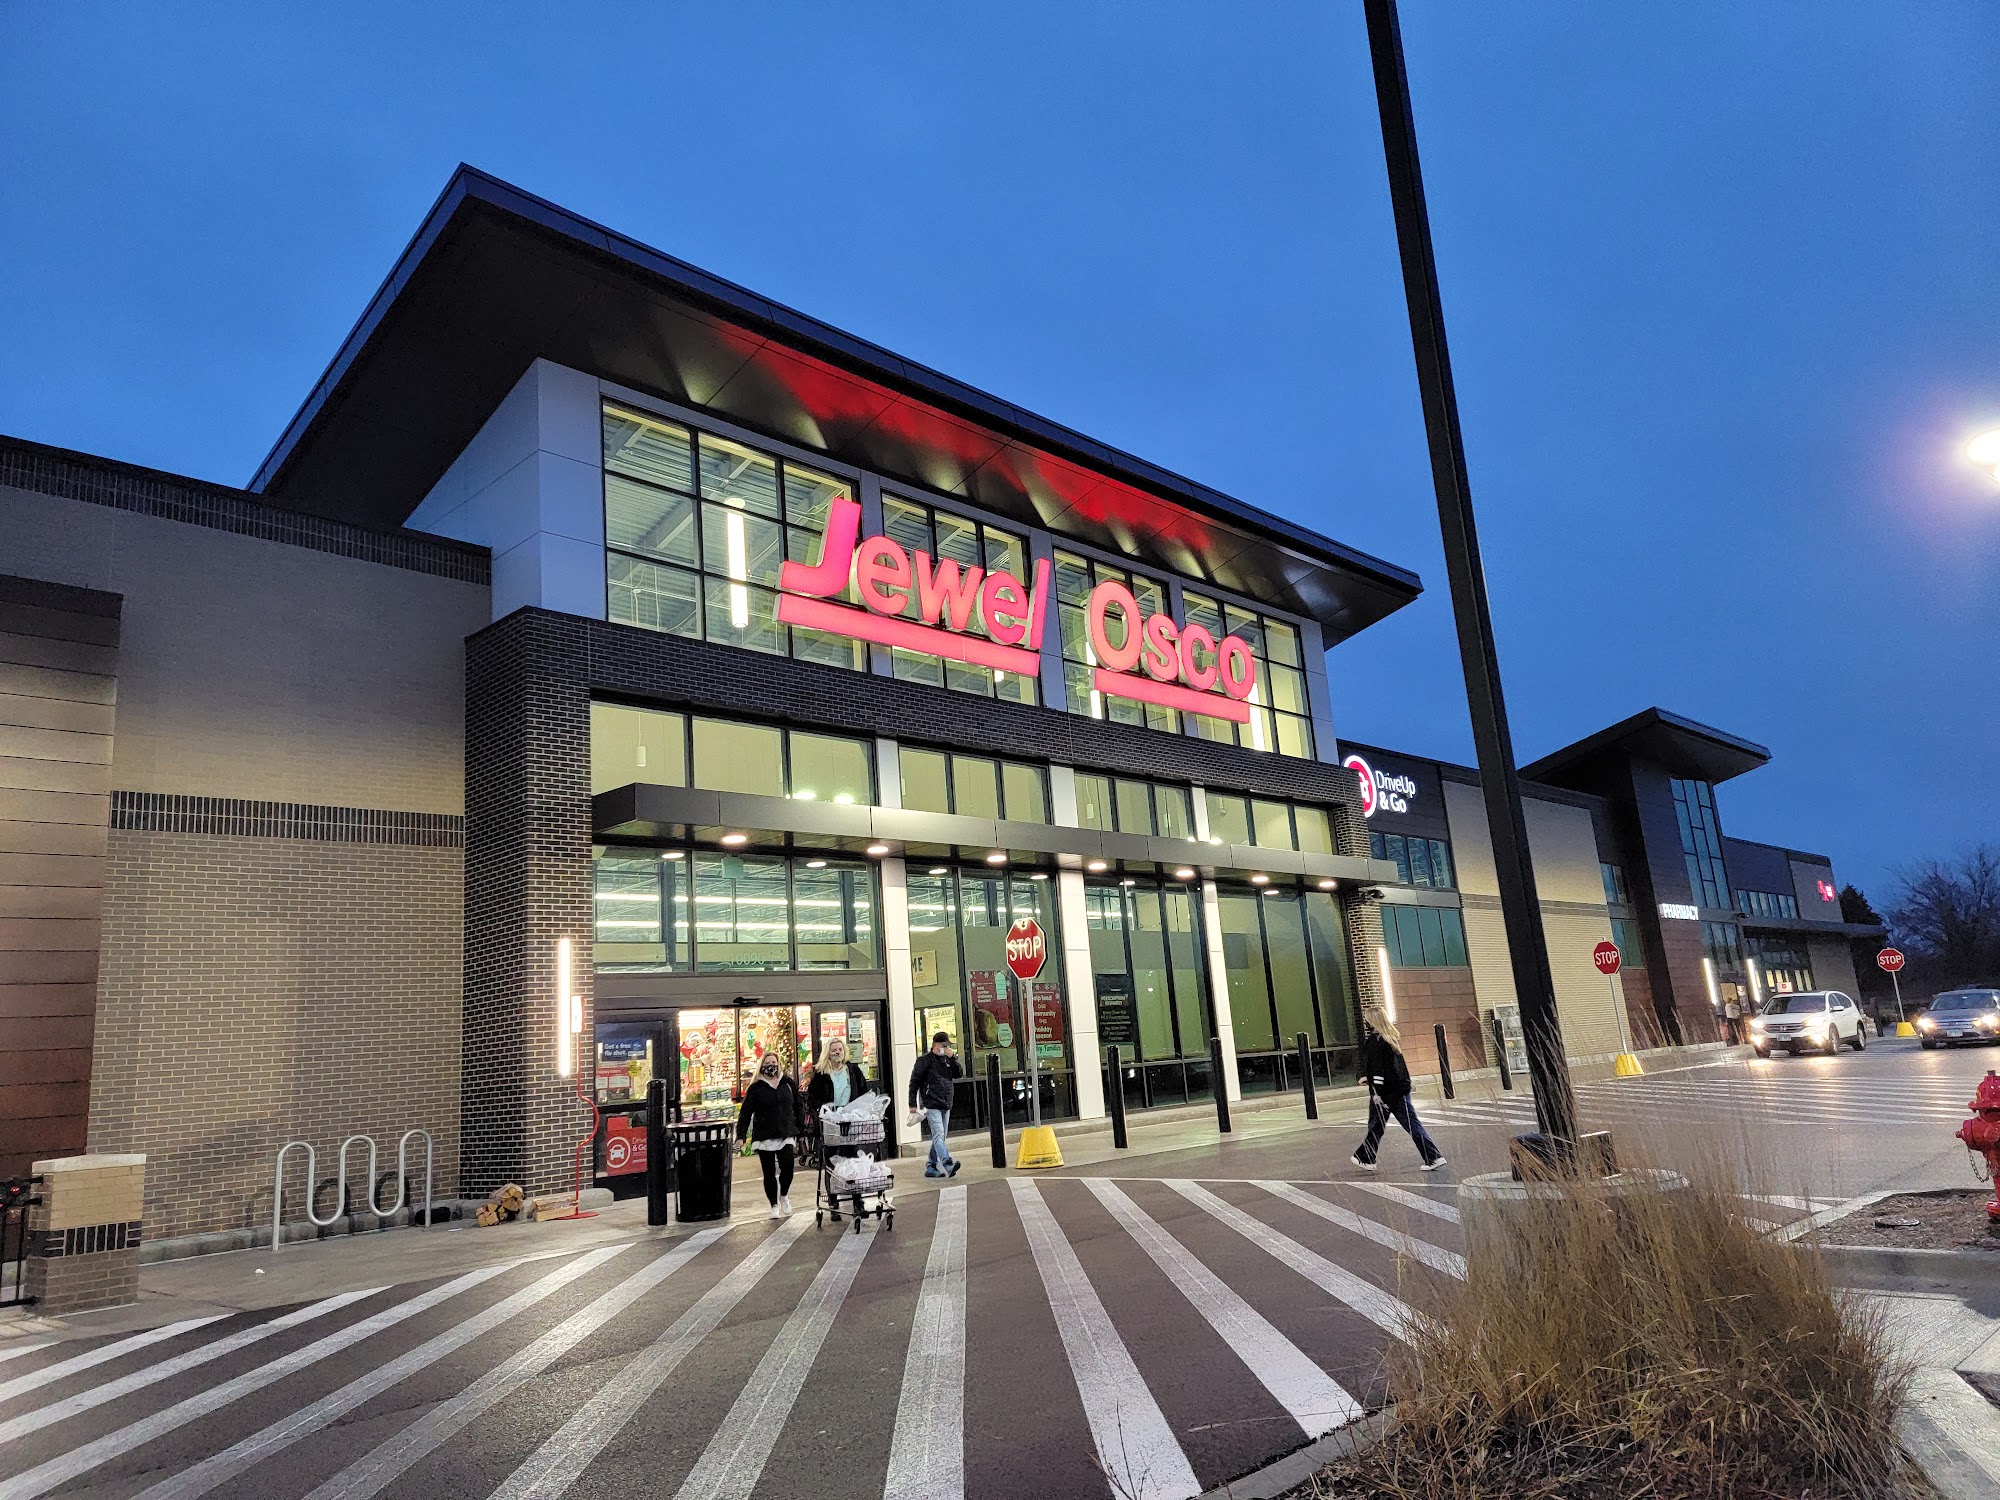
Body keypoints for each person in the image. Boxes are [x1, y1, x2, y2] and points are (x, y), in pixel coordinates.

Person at [1350, 1005, 1445, 1173]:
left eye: (1367, 1019)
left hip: (1387, 1092)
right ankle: (1366, 1157)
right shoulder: (1390, 1038)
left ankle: (1433, 1157)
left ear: (1372, 1021)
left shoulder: (1375, 1041)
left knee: (1383, 1124)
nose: (1365, 1022)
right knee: (1383, 1124)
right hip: (1399, 1088)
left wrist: (1376, 1092)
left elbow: (1378, 1069)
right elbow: (1391, 1068)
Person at [736, 1052, 805, 1217]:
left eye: (773, 1062)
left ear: (778, 1064)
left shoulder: (787, 1083)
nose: (771, 1066)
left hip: (785, 1133)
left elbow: (798, 1106)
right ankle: (773, 1205)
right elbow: (745, 1112)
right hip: (764, 1135)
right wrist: (741, 1135)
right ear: (762, 1066)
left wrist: (801, 1128)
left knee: (788, 1167)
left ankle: (784, 1196)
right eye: (767, 1063)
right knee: (768, 1172)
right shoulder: (755, 1088)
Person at [907, 1031, 963, 1179]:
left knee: (940, 1137)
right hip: (931, 1104)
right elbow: (914, 1083)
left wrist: (953, 1059)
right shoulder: (924, 1061)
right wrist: (912, 1104)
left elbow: (958, 1074)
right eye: (943, 1045)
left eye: (947, 1046)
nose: (945, 1048)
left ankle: (931, 1166)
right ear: (935, 1045)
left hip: (946, 1103)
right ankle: (947, 1164)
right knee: (939, 1135)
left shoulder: (947, 1060)